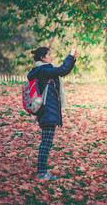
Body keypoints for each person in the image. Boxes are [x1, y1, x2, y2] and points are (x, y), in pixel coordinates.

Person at [27, 46, 78, 180]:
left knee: (47, 142)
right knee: (46, 143)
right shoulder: (43, 70)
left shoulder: (44, 70)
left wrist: (72, 60)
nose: (51, 57)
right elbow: (61, 70)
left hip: (49, 110)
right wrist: (70, 56)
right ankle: (41, 173)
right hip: (47, 110)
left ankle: (42, 172)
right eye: (49, 54)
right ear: (42, 58)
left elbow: (63, 71)